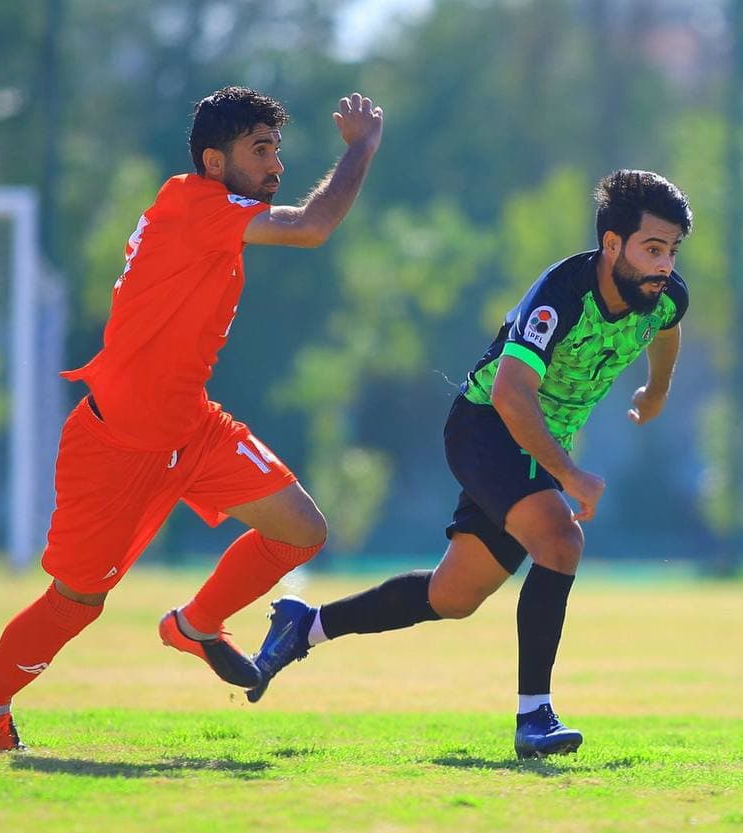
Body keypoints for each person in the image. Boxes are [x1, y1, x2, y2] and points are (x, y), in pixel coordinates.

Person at [0, 86, 384, 751]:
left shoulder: (216, 211)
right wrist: (359, 148)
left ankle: (197, 623)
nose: (276, 165)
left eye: (278, 150)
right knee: (76, 602)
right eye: (260, 149)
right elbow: (311, 227)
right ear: (215, 161)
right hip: (116, 443)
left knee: (301, 531)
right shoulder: (194, 203)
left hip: (190, 428)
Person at [246, 169, 692, 759]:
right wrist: (569, 474)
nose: (665, 265)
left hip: (535, 448)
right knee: (560, 541)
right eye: (652, 248)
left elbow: (668, 330)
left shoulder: (661, 296)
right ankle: (535, 717)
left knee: (452, 597)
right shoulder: (563, 294)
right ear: (612, 244)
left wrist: (657, 390)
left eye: (672, 251)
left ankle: (304, 626)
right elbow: (510, 394)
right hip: (486, 427)